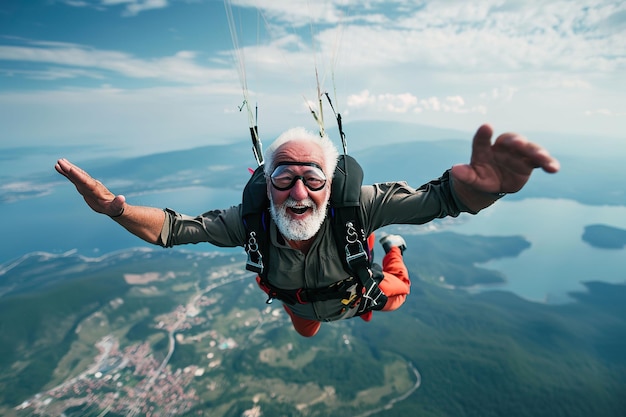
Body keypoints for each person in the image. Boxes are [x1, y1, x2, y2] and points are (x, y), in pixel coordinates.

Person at [55, 123, 560, 337]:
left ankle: (394, 249)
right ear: (266, 184)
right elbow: (174, 229)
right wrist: (114, 209)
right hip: (299, 304)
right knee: (306, 328)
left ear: (331, 182)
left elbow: (439, 200)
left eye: (313, 178)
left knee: (399, 286)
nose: (299, 193)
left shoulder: (358, 204)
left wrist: (485, 189)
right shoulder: (247, 220)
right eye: (283, 177)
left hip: (360, 295)